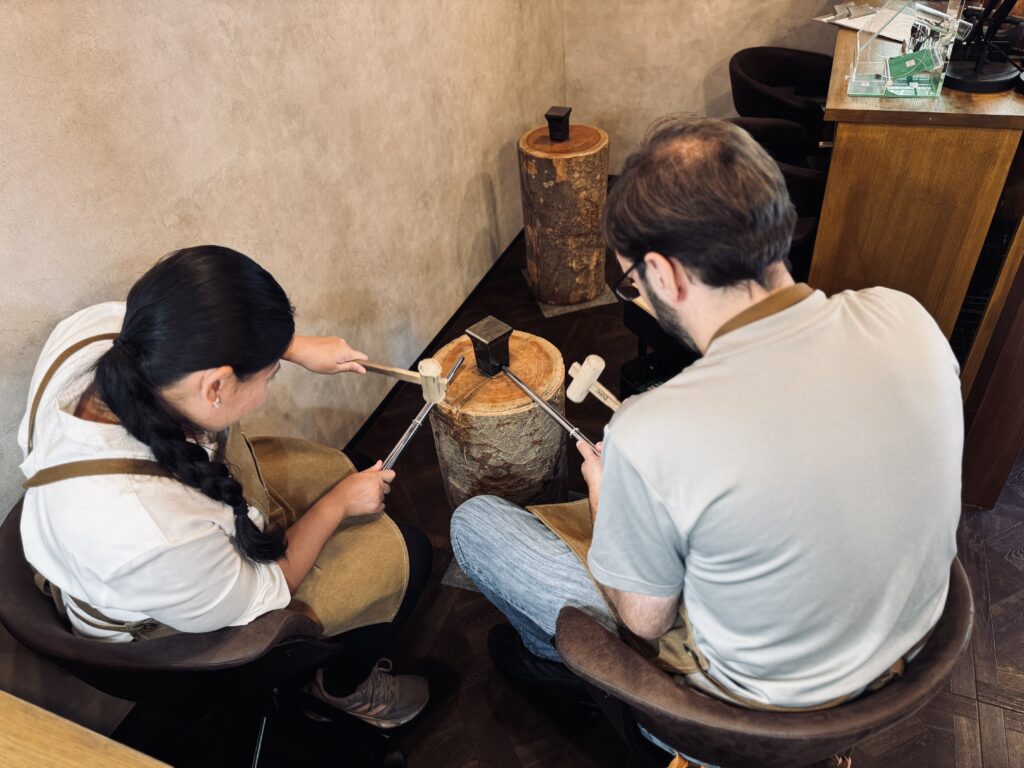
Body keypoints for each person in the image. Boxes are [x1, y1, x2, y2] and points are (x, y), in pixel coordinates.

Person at [450, 116, 962, 765]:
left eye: (631, 282)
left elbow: (646, 622)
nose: (637, 293)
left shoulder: (653, 432)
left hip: (745, 719)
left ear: (663, 275)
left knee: (476, 525)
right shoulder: (905, 315)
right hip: (901, 662)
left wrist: (610, 503)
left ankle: (560, 666)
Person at [18, 245, 431, 728]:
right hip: (169, 623)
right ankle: (342, 688)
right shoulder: (150, 532)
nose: (272, 382)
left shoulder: (101, 334)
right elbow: (268, 587)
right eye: (270, 375)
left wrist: (291, 346)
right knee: (411, 554)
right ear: (215, 387)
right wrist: (337, 505)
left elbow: (196, 331)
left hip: (181, 530)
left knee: (347, 468)